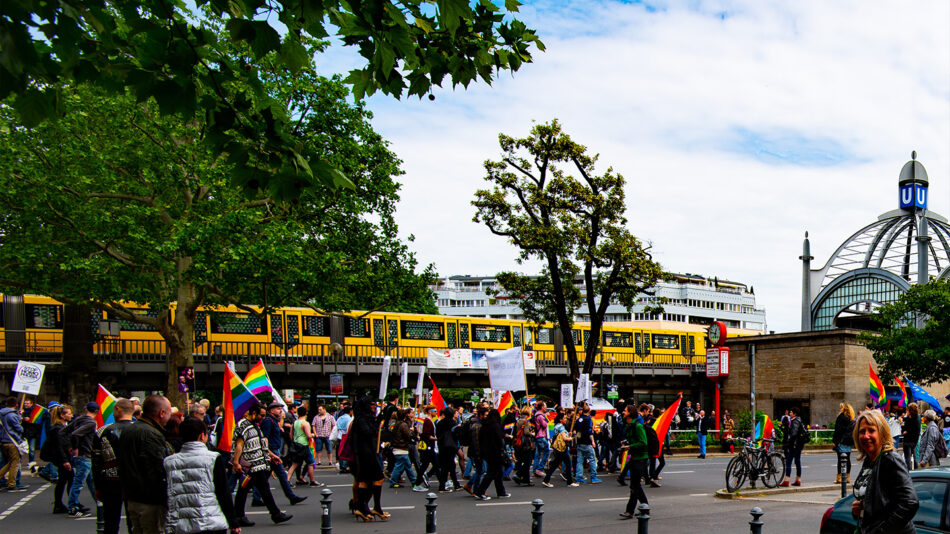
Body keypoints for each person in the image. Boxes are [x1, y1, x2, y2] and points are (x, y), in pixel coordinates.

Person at [164, 417, 240, 534]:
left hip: (179, 524)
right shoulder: (213, 458)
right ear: (202, 436)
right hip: (210, 520)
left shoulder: (169, 462)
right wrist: (232, 521)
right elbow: (223, 492)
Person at [850, 409, 918, 534]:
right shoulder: (870, 460)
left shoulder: (890, 459)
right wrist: (860, 507)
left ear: (882, 433)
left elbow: (910, 503)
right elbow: (881, 500)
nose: (866, 436)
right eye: (862, 431)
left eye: (871, 430)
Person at [119, 394, 175, 534]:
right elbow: (157, 469)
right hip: (150, 500)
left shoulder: (129, 430)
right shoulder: (152, 434)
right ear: (162, 413)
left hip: (132, 497)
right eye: (169, 412)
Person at [231, 402, 293, 526]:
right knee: (251, 490)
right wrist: (236, 462)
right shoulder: (243, 426)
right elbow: (239, 445)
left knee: (257, 489)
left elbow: (260, 444)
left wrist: (271, 455)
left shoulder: (254, 425)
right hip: (250, 465)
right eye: (261, 415)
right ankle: (273, 514)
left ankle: (273, 514)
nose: (263, 418)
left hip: (257, 464)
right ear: (254, 413)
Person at [92, 398, 134, 533]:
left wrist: (97, 486)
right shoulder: (141, 430)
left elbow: (96, 462)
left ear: (117, 410)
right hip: (134, 481)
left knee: (110, 522)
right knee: (134, 522)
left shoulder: (102, 431)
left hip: (110, 481)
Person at [258, 401, 306, 506]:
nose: (280, 411)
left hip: (274, 451)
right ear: (271, 410)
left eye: (281, 408)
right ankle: (291, 497)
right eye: (278, 409)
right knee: (280, 475)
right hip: (272, 452)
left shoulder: (273, 420)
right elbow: (264, 438)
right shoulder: (268, 421)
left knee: (263, 477)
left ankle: (257, 497)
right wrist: (269, 454)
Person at [350, 396, 388, 521]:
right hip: (365, 454)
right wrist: (377, 422)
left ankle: (363, 507)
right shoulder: (361, 419)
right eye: (372, 404)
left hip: (366, 453)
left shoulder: (364, 418)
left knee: (365, 481)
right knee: (377, 478)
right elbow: (368, 432)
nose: (374, 407)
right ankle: (371, 507)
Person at [64, 401, 98, 516]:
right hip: (84, 455)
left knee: (91, 482)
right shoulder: (91, 423)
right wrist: (75, 448)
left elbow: (65, 432)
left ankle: (99, 503)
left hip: (83, 456)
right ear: (96, 412)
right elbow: (75, 434)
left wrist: (69, 446)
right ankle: (72, 507)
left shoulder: (79, 419)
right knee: (79, 482)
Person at [42, 404, 73, 513]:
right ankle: (70, 504)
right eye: (69, 413)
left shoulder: (62, 427)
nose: (71, 415)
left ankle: (60, 504)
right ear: (62, 415)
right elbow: (59, 446)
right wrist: (64, 461)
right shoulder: (57, 429)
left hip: (64, 457)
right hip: (62, 458)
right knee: (67, 480)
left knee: (63, 480)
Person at [619, 404, 648, 520]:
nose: (623, 412)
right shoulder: (629, 425)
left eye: (625, 410)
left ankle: (630, 510)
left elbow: (643, 442)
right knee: (635, 486)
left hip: (640, 458)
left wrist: (630, 446)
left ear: (630, 413)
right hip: (634, 457)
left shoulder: (638, 426)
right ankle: (645, 507)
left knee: (634, 486)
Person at [475, 408, 509, 500]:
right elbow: (499, 440)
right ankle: (480, 491)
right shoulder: (495, 426)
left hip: (487, 453)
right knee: (492, 473)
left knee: (498, 472)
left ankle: (501, 492)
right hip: (496, 453)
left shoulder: (485, 425)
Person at [286, 405, 320, 487]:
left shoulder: (295, 422)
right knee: (310, 462)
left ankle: (287, 481)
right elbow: (308, 435)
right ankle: (312, 481)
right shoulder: (305, 423)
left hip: (296, 444)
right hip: (304, 445)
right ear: (306, 413)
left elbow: (291, 435)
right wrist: (313, 434)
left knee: (294, 464)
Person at [542, 411, 577, 487]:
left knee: (554, 465)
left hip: (557, 449)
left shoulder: (556, 426)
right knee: (568, 464)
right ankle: (570, 482)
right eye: (564, 418)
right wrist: (570, 438)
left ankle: (546, 480)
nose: (565, 419)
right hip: (563, 449)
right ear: (560, 419)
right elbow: (564, 438)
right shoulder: (561, 427)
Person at [0, 396, 25, 492]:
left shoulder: (1, 414)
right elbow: (19, 429)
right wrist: (20, 418)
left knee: (10, 462)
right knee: (14, 463)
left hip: (3, 440)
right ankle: (12, 483)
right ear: (16, 405)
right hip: (12, 441)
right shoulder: (12, 415)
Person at [574, 403, 602, 484]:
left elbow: (576, 429)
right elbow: (590, 431)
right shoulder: (588, 419)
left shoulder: (578, 419)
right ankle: (593, 476)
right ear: (589, 411)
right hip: (587, 442)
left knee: (580, 460)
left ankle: (578, 476)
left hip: (579, 441)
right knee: (592, 459)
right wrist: (593, 441)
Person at [413, 405, 439, 491]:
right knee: (429, 465)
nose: (436, 412)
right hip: (428, 446)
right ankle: (417, 484)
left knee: (433, 464)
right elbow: (426, 434)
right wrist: (437, 438)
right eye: (434, 410)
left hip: (430, 446)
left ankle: (442, 482)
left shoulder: (430, 420)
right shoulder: (428, 421)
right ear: (429, 411)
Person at [387, 408, 415, 488]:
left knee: (405, 466)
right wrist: (412, 431)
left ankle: (413, 481)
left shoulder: (397, 424)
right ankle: (414, 481)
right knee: (401, 466)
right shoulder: (403, 425)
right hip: (401, 448)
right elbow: (408, 435)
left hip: (398, 447)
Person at [434, 406, 460, 492]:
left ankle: (450, 484)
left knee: (445, 466)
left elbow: (437, 435)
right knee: (450, 465)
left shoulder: (439, 423)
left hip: (442, 446)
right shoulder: (453, 423)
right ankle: (451, 484)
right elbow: (456, 435)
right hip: (451, 446)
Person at [780, 406, 805, 487]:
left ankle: (786, 481)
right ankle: (798, 480)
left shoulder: (795, 421)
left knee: (789, 461)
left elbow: (793, 434)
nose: (790, 413)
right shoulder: (797, 420)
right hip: (799, 444)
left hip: (794, 445)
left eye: (791, 412)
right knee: (797, 461)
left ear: (794, 414)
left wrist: (791, 442)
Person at [511, 406, 536, 487]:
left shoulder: (518, 420)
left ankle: (526, 479)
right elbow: (526, 432)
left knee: (524, 461)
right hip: (525, 444)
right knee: (527, 462)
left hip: (519, 444)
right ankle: (519, 474)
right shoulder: (526, 421)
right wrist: (532, 434)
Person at [832, 402, 856, 484]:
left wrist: (835, 441)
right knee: (848, 459)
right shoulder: (851, 418)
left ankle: (840, 478)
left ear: (843, 409)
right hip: (849, 441)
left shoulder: (841, 417)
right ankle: (847, 477)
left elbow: (838, 431)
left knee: (840, 459)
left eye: (841, 408)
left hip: (841, 441)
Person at [531, 401, 550, 477]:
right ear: (542, 407)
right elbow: (544, 425)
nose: (546, 408)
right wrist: (545, 417)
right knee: (547, 451)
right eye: (545, 406)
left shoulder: (536, 414)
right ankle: (540, 468)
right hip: (541, 436)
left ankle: (535, 470)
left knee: (537, 454)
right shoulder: (540, 416)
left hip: (537, 436)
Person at [901, 403, 920, 471]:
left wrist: (902, 423)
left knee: (907, 458)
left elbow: (904, 430)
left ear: (909, 410)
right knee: (913, 456)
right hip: (914, 441)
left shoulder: (909, 420)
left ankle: (909, 471)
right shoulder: (917, 418)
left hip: (907, 440)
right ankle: (916, 469)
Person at [335, 405, 353, 474]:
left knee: (340, 451)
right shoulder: (349, 419)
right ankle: (345, 466)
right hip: (346, 436)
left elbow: (337, 426)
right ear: (350, 411)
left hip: (339, 436)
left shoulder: (340, 418)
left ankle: (341, 466)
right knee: (346, 452)